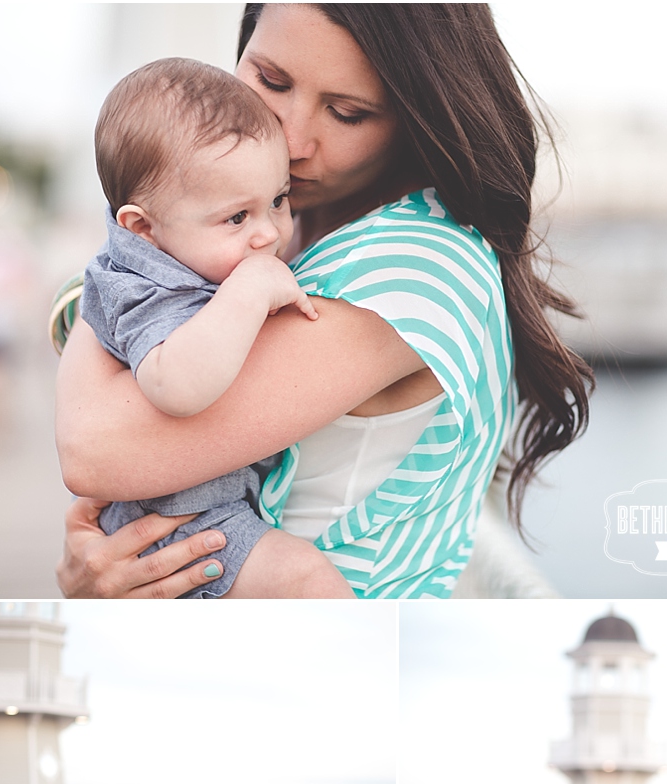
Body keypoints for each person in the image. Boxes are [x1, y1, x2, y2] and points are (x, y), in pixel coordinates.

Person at [54, 3, 593, 599]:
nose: (289, 137)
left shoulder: (411, 267)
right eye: (269, 79)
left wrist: (120, 265)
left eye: (346, 113)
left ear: (418, 117)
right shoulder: (291, 222)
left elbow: (94, 451)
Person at [81, 58, 351, 600]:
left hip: (197, 513)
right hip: (182, 529)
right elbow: (175, 386)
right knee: (305, 580)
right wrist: (251, 291)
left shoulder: (187, 253)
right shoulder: (149, 287)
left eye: (278, 200)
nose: (269, 233)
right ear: (143, 228)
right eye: (236, 217)